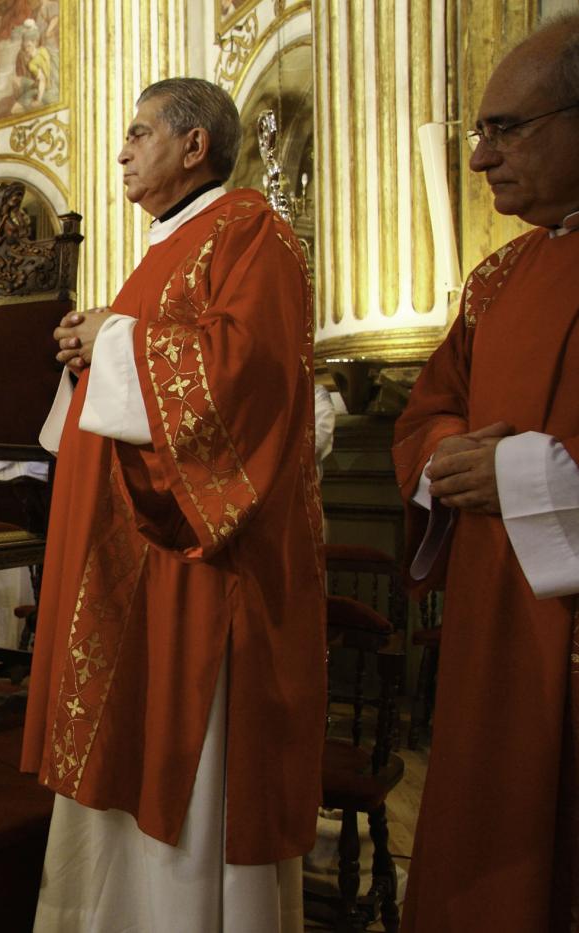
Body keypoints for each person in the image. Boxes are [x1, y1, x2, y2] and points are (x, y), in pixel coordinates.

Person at [20, 77, 325, 930]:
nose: (121, 150)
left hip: (199, 560)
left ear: (195, 147)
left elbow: (246, 375)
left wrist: (112, 342)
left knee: (184, 749)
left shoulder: (249, 230)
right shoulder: (168, 244)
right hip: (131, 558)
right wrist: (98, 347)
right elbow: (153, 363)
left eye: (138, 131)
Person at [392, 15, 579, 931]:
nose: (478, 159)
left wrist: (534, 478)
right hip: (492, 623)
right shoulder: (496, 278)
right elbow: (427, 410)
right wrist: (448, 460)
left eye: (505, 129)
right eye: (479, 130)